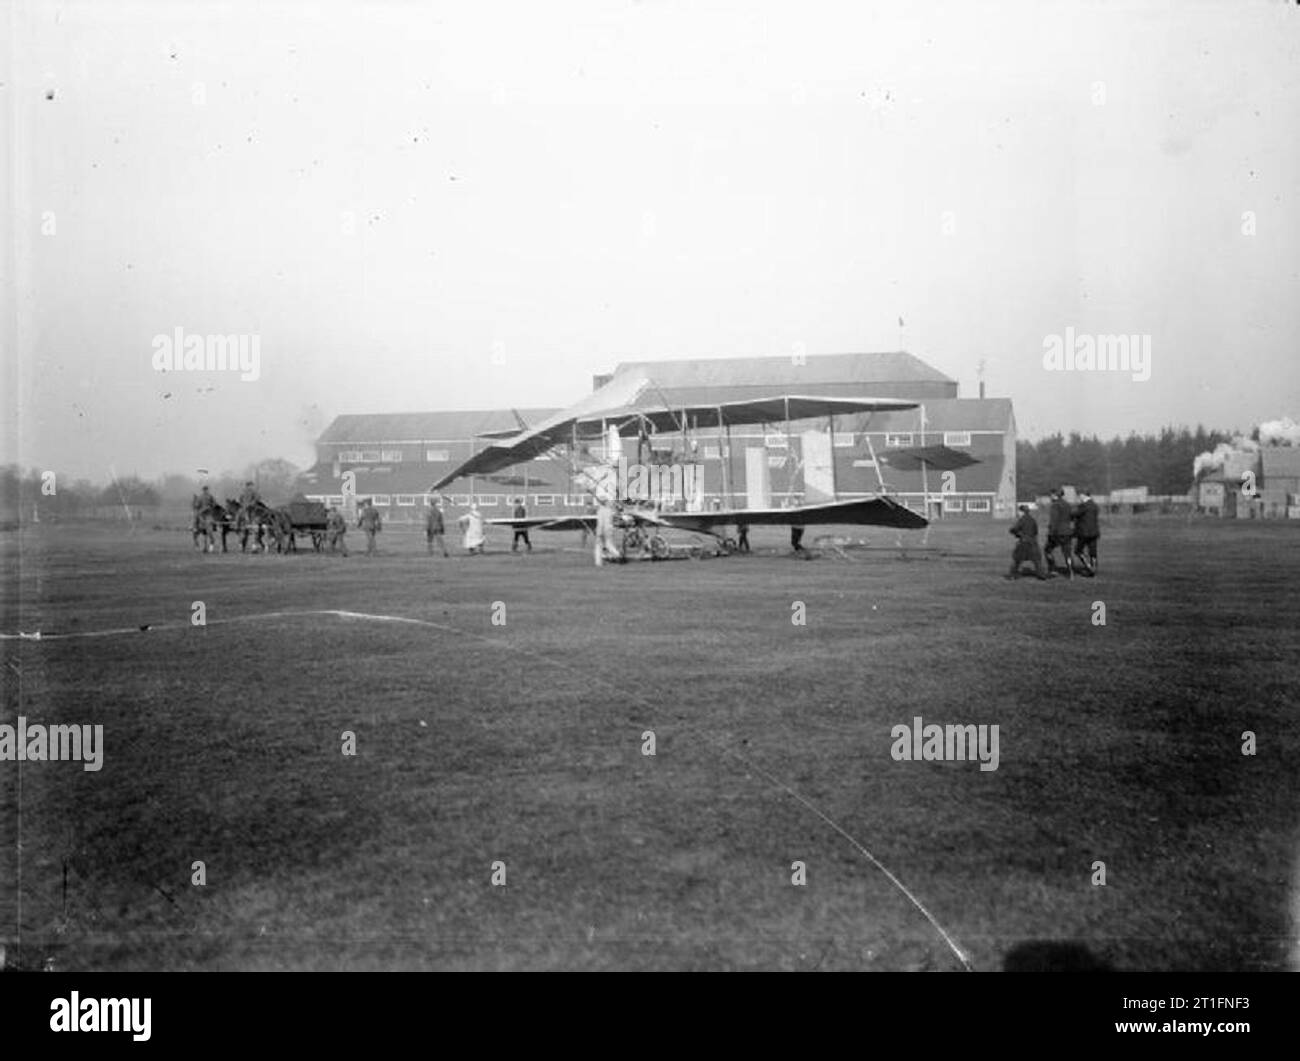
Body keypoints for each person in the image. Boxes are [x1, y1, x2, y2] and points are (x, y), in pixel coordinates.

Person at [1006, 503, 1047, 580]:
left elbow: (1014, 529)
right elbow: (1035, 531)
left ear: (1022, 512)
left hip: (1024, 543)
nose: (1018, 513)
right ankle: (1042, 575)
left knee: (1017, 560)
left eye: (1019, 512)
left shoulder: (1022, 520)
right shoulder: (1032, 520)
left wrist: (1015, 533)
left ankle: (1012, 575)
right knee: (1037, 561)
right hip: (1033, 542)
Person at [1044, 488, 1075, 579]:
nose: (1050, 497)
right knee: (1067, 553)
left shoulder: (1055, 505)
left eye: (1051, 495)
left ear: (1055, 495)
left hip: (1057, 532)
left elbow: (1054, 520)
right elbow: (1071, 517)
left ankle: (1052, 569)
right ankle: (1071, 572)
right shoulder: (1067, 504)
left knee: (1047, 550)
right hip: (1068, 532)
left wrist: (1051, 533)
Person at [1072, 490, 1101, 576]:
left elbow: (1075, 514)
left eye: (1079, 496)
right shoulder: (1094, 505)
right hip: (1094, 532)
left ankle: (1089, 567)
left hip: (1084, 532)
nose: (1079, 498)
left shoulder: (1084, 506)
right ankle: (1094, 568)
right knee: (1093, 551)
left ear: (1083, 495)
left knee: (1078, 551)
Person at [593, 497, 616, 566]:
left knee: (599, 546)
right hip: (608, 529)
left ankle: (599, 562)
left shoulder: (600, 511)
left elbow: (601, 522)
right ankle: (617, 556)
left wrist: (599, 531)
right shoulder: (609, 510)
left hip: (602, 529)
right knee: (608, 544)